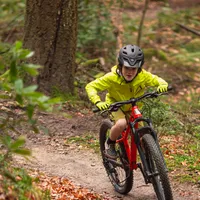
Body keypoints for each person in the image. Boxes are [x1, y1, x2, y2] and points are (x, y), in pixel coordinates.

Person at [85, 44, 168, 159]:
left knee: (143, 134)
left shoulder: (143, 76)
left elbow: (157, 79)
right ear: (120, 66)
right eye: (126, 68)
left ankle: (150, 164)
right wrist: (98, 102)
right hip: (116, 105)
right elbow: (91, 86)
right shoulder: (111, 77)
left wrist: (163, 84)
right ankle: (111, 144)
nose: (130, 72)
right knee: (121, 124)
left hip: (133, 107)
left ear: (138, 68)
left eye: (133, 69)